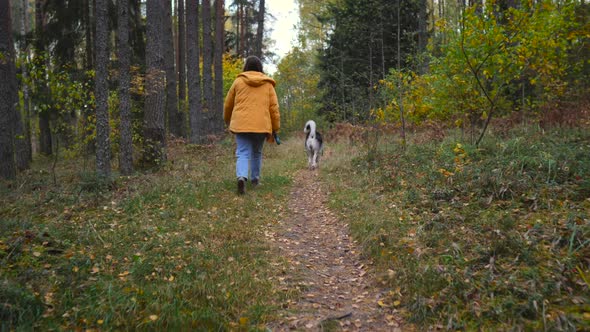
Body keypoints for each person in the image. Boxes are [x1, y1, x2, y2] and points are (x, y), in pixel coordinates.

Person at [224, 56, 280, 195]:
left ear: (246, 67)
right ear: (260, 68)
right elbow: (274, 109)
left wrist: (228, 120)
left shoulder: (238, 82)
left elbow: (228, 104)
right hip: (261, 125)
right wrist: (275, 128)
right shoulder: (267, 85)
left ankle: (242, 177)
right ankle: (255, 180)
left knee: (242, 153)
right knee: (256, 153)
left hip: (241, 124)